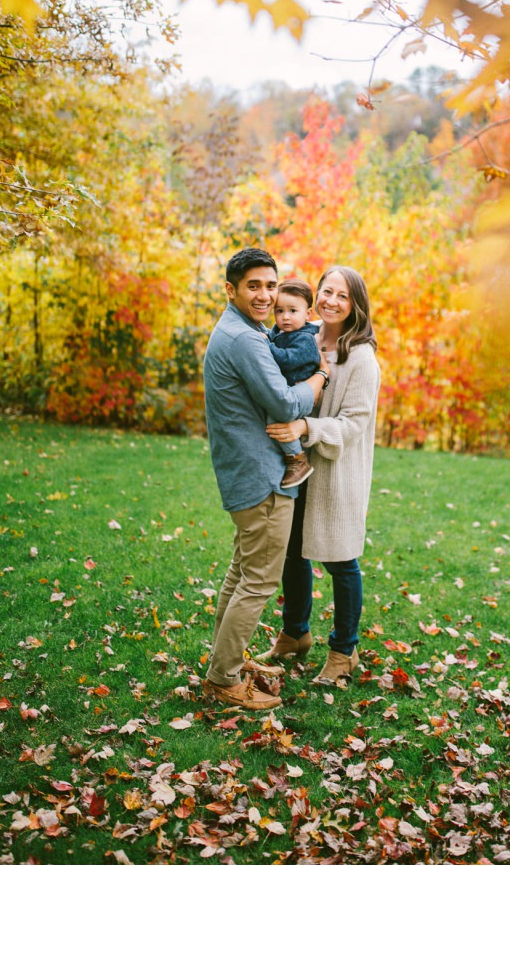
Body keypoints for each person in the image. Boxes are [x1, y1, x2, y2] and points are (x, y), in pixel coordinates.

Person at [200, 247, 330, 711]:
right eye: (254, 285)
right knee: (257, 580)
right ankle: (223, 678)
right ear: (231, 289)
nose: (265, 295)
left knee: (241, 573)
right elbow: (284, 403)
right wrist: (319, 377)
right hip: (262, 477)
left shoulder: (241, 330)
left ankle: (227, 660)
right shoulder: (246, 339)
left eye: (270, 286)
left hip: (244, 472)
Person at [263, 266, 381, 689]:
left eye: (342, 296)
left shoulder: (362, 359)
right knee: (292, 552)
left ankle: (343, 650)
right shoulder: (304, 337)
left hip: (335, 470)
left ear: (356, 306)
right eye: (327, 291)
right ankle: (295, 633)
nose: (331, 301)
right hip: (297, 466)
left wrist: (306, 429)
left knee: (340, 560)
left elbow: (353, 424)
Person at [267, 278, 324, 489]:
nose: (285, 317)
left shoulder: (306, 339)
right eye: (279, 311)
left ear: (308, 314)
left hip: (302, 394)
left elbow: (287, 359)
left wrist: (265, 346)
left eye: (292, 311)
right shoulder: (283, 333)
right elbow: (273, 335)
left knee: (277, 413)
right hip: (290, 390)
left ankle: (297, 459)